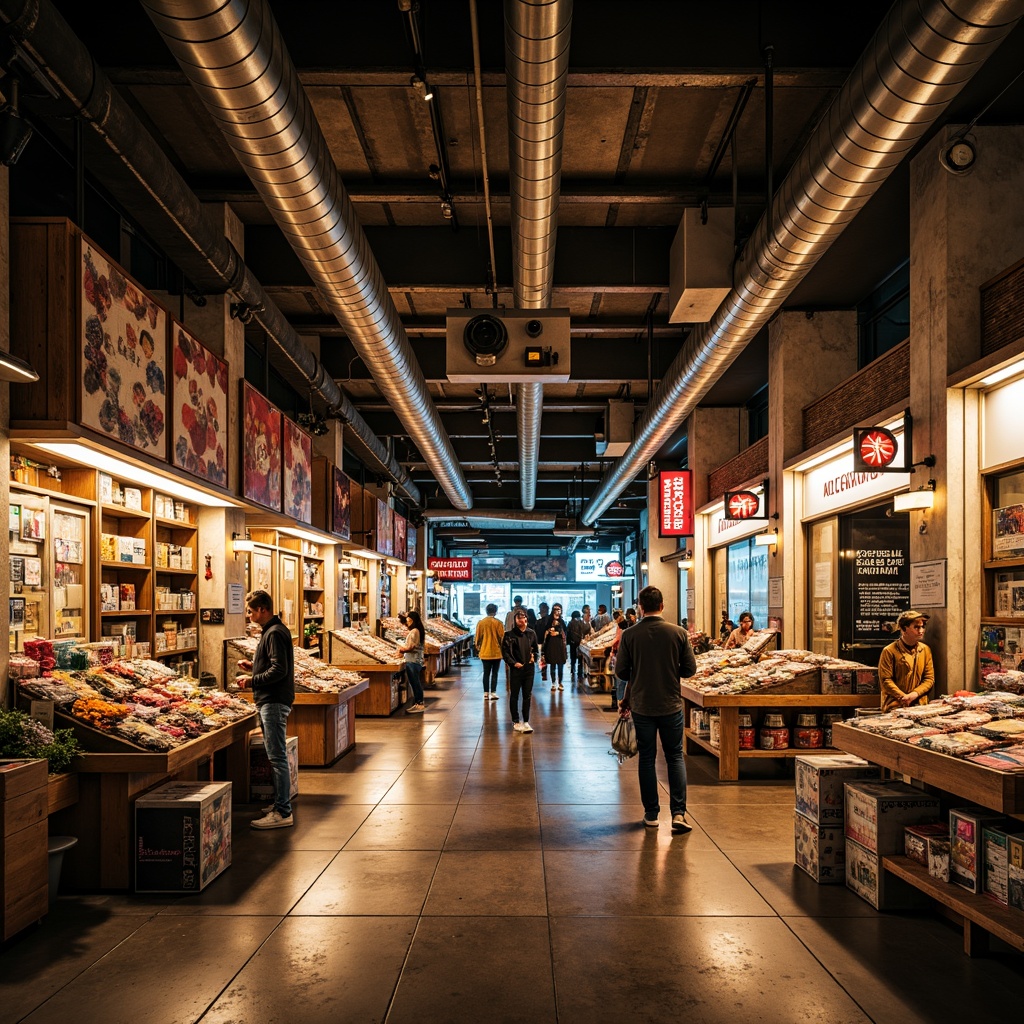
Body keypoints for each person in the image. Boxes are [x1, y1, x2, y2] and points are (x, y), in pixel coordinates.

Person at [616, 585, 697, 833]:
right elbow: (690, 670)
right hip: (671, 704)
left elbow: (621, 672)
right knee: (674, 757)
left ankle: (651, 813)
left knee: (647, 758)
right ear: (662, 605)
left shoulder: (630, 635)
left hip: (642, 706)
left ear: (640, 607)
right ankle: (679, 814)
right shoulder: (678, 633)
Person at [236, 590, 295, 829]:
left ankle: (283, 812)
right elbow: (273, 664)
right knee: (276, 755)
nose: (249, 615)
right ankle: (280, 803)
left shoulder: (274, 633)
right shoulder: (274, 631)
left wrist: (252, 681)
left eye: (250, 611)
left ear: (262, 609)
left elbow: (279, 670)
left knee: (277, 757)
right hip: (270, 699)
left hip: (272, 701)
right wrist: (254, 666)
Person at [878, 610, 935, 712]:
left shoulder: (925, 650)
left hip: (920, 705)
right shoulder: (889, 651)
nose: (921, 631)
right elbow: (886, 680)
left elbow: (929, 679)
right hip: (895, 705)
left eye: (922, 627)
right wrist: (903, 697)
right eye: (916, 627)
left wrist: (914, 694)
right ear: (904, 629)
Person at [501, 608, 539, 733]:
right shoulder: (509, 634)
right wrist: (513, 663)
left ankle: (526, 720)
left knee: (527, 695)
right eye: (518, 617)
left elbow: (535, 649)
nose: (521, 619)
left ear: (526, 619)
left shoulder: (531, 633)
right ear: (515, 619)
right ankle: (516, 720)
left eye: (523, 617)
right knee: (515, 695)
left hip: (529, 668)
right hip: (516, 669)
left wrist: (534, 657)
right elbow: (505, 653)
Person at [397, 610, 426, 713]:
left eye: (408, 618)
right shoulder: (417, 630)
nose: (407, 621)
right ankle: (418, 703)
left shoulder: (414, 631)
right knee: (414, 682)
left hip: (413, 661)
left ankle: (419, 704)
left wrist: (401, 649)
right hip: (415, 660)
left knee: (415, 683)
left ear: (412, 620)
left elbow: (411, 647)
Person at [475, 603, 504, 700]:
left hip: (485, 652)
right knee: (495, 673)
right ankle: (493, 692)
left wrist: (479, 648)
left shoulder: (481, 623)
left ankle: (485, 693)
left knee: (486, 673)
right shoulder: (499, 623)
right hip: (496, 653)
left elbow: (477, 638)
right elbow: (502, 638)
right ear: (495, 611)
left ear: (486, 611)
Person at [542, 603, 568, 691]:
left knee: (560, 666)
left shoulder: (562, 621)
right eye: (555, 609)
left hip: (560, 646)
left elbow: (565, 632)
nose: (557, 611)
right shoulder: (549, 620)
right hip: (551, 645)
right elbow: (544, 632)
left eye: (559, 609)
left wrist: (559, 632)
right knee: (552, 666)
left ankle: (560, 682)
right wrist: (549, 631)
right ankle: (553, 683)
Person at [567, 609, 591, 681]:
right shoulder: (581, 622)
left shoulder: (570, 623)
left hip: (572, 643)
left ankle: (572, 669)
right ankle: (580, 673)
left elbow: (568, 633)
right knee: (580, 658)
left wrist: (568, 642)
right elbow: (587, 629)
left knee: (573, 657)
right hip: (580, 643)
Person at [535, 602, 551, 680]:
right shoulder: (550, 620)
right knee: (545, 657)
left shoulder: (540, 621)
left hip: (541, 641)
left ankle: (544, 673)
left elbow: (538, 632)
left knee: (543, 656)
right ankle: (547, 673)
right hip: (548, 641)